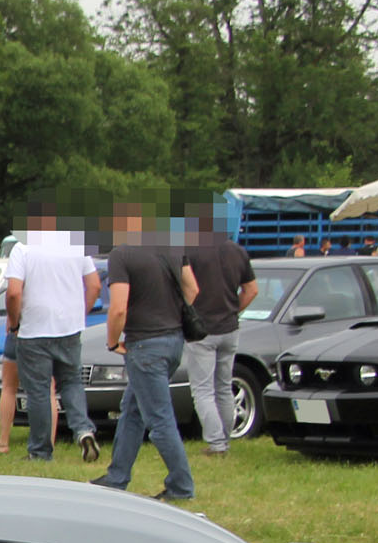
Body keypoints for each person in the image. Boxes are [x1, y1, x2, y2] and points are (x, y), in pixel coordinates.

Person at [91, 201, 198, 501]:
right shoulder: (172, 247)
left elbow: (118, 309)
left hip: (145, 344)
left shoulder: (122, 255)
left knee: (159, 418)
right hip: (174, 339)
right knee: (133, 411)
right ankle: (116, 477)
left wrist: (113, 342)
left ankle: (181, 487)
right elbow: (193, 290)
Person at [5, 208, 101, 462]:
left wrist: (14, 323)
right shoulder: (76, 246)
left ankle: (40, 450)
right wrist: (80, 311)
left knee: (38, 391)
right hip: (68, 327)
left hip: (34, 330)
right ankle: (83, 429)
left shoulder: (23, 249)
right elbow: (94, 285)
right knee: (71, 382)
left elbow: (14, 292)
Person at [182, 210, 258, 456]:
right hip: (230, 327)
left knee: (202, 390)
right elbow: (251, 290)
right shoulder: (237, 251)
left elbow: (187, 288)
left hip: (201, 329)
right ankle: (225, 439)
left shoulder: (190, 252)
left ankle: (216, 444)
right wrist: (234, 309)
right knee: (224, 386)